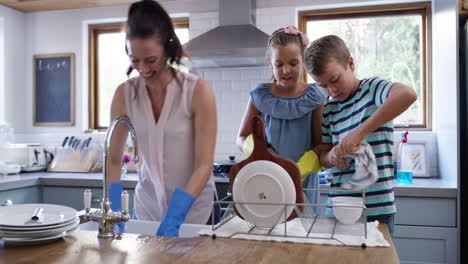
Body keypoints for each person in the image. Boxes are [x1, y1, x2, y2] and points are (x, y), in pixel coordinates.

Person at [108, 0, 219, 237]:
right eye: (134, 60)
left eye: (150, 60)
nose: (143, 69)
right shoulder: (124, 94)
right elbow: (114, 159)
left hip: (193, 214)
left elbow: (204, 165)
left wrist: (175, 216)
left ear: (168, 49)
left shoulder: (197, 91)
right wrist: (114, 207)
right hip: (146, 209)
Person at [304, 35, 417, 235]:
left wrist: (360, 132)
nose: (331, 90)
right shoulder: (329, 109)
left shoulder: (372, 89)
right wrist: (331, 157)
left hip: (376, 209)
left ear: (350, 63)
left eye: (335, 80)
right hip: (338, 208)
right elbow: (322, 154)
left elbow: (408, 94)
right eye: (323, 86)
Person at [237, 26, 328, 208]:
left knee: (302, 231)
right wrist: (261, 153)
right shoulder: (259, 96)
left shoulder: (316, 97)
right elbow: (241, 138)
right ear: (271, 63)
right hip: (267, 180)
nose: (286, 70)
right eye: (279, 64)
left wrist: (299, 169)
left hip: (304, 187)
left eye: (293, 63)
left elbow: (323, 145)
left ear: (303, 61)